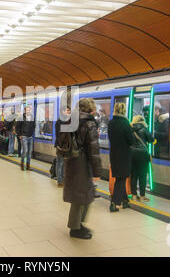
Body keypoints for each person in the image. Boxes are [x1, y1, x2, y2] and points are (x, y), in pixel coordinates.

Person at [63, 98, 102, 239]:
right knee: (80, 196)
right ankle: (75, 228)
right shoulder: (89, 123)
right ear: (90, 109)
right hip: (82, 163)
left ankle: (78, 223)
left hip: (71, 161)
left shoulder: (70, 120)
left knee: (81, 195)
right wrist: (97, 171)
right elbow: (93, 149)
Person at [107, 102, 134, 212]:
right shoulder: (125, 123)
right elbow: (130, 141)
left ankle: (125, 201)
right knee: (121, 178)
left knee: (119, 176)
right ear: (124, 110)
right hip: (124, 154)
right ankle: (115, 202)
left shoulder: (111, 123)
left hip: (114, 153)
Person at [130, 115, 154, 202]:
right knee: (142, 176)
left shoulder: (130, 129)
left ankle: (133, 195)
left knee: (133, 176)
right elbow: (151, 140)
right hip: (142, 154)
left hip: (131, 154)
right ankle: (142, 196)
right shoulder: (144, 129)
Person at [54, 106, 71, 187]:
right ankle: (59, 181)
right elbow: (59, 134)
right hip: (60, 145)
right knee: (60, 163)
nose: (68, 112)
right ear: (63, 112)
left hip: (67, 146)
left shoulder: (70, 121)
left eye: (69, 110)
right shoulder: (59, 121)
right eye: (67, 110)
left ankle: (64, 179)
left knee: (65, 164)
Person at [16, 105, 35, 170]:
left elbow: (34, 125)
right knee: (25, 151)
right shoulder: (21, 117)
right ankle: (22, 164)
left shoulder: (32, 117)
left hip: (30, 137)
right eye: (27, 110)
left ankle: (28, 165)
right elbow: (17, 127)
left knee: (29, 152)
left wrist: (32, 132)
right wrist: (19, 135)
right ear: (25, 111)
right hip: (24, 136)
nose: (28, 111)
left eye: (29, 110)